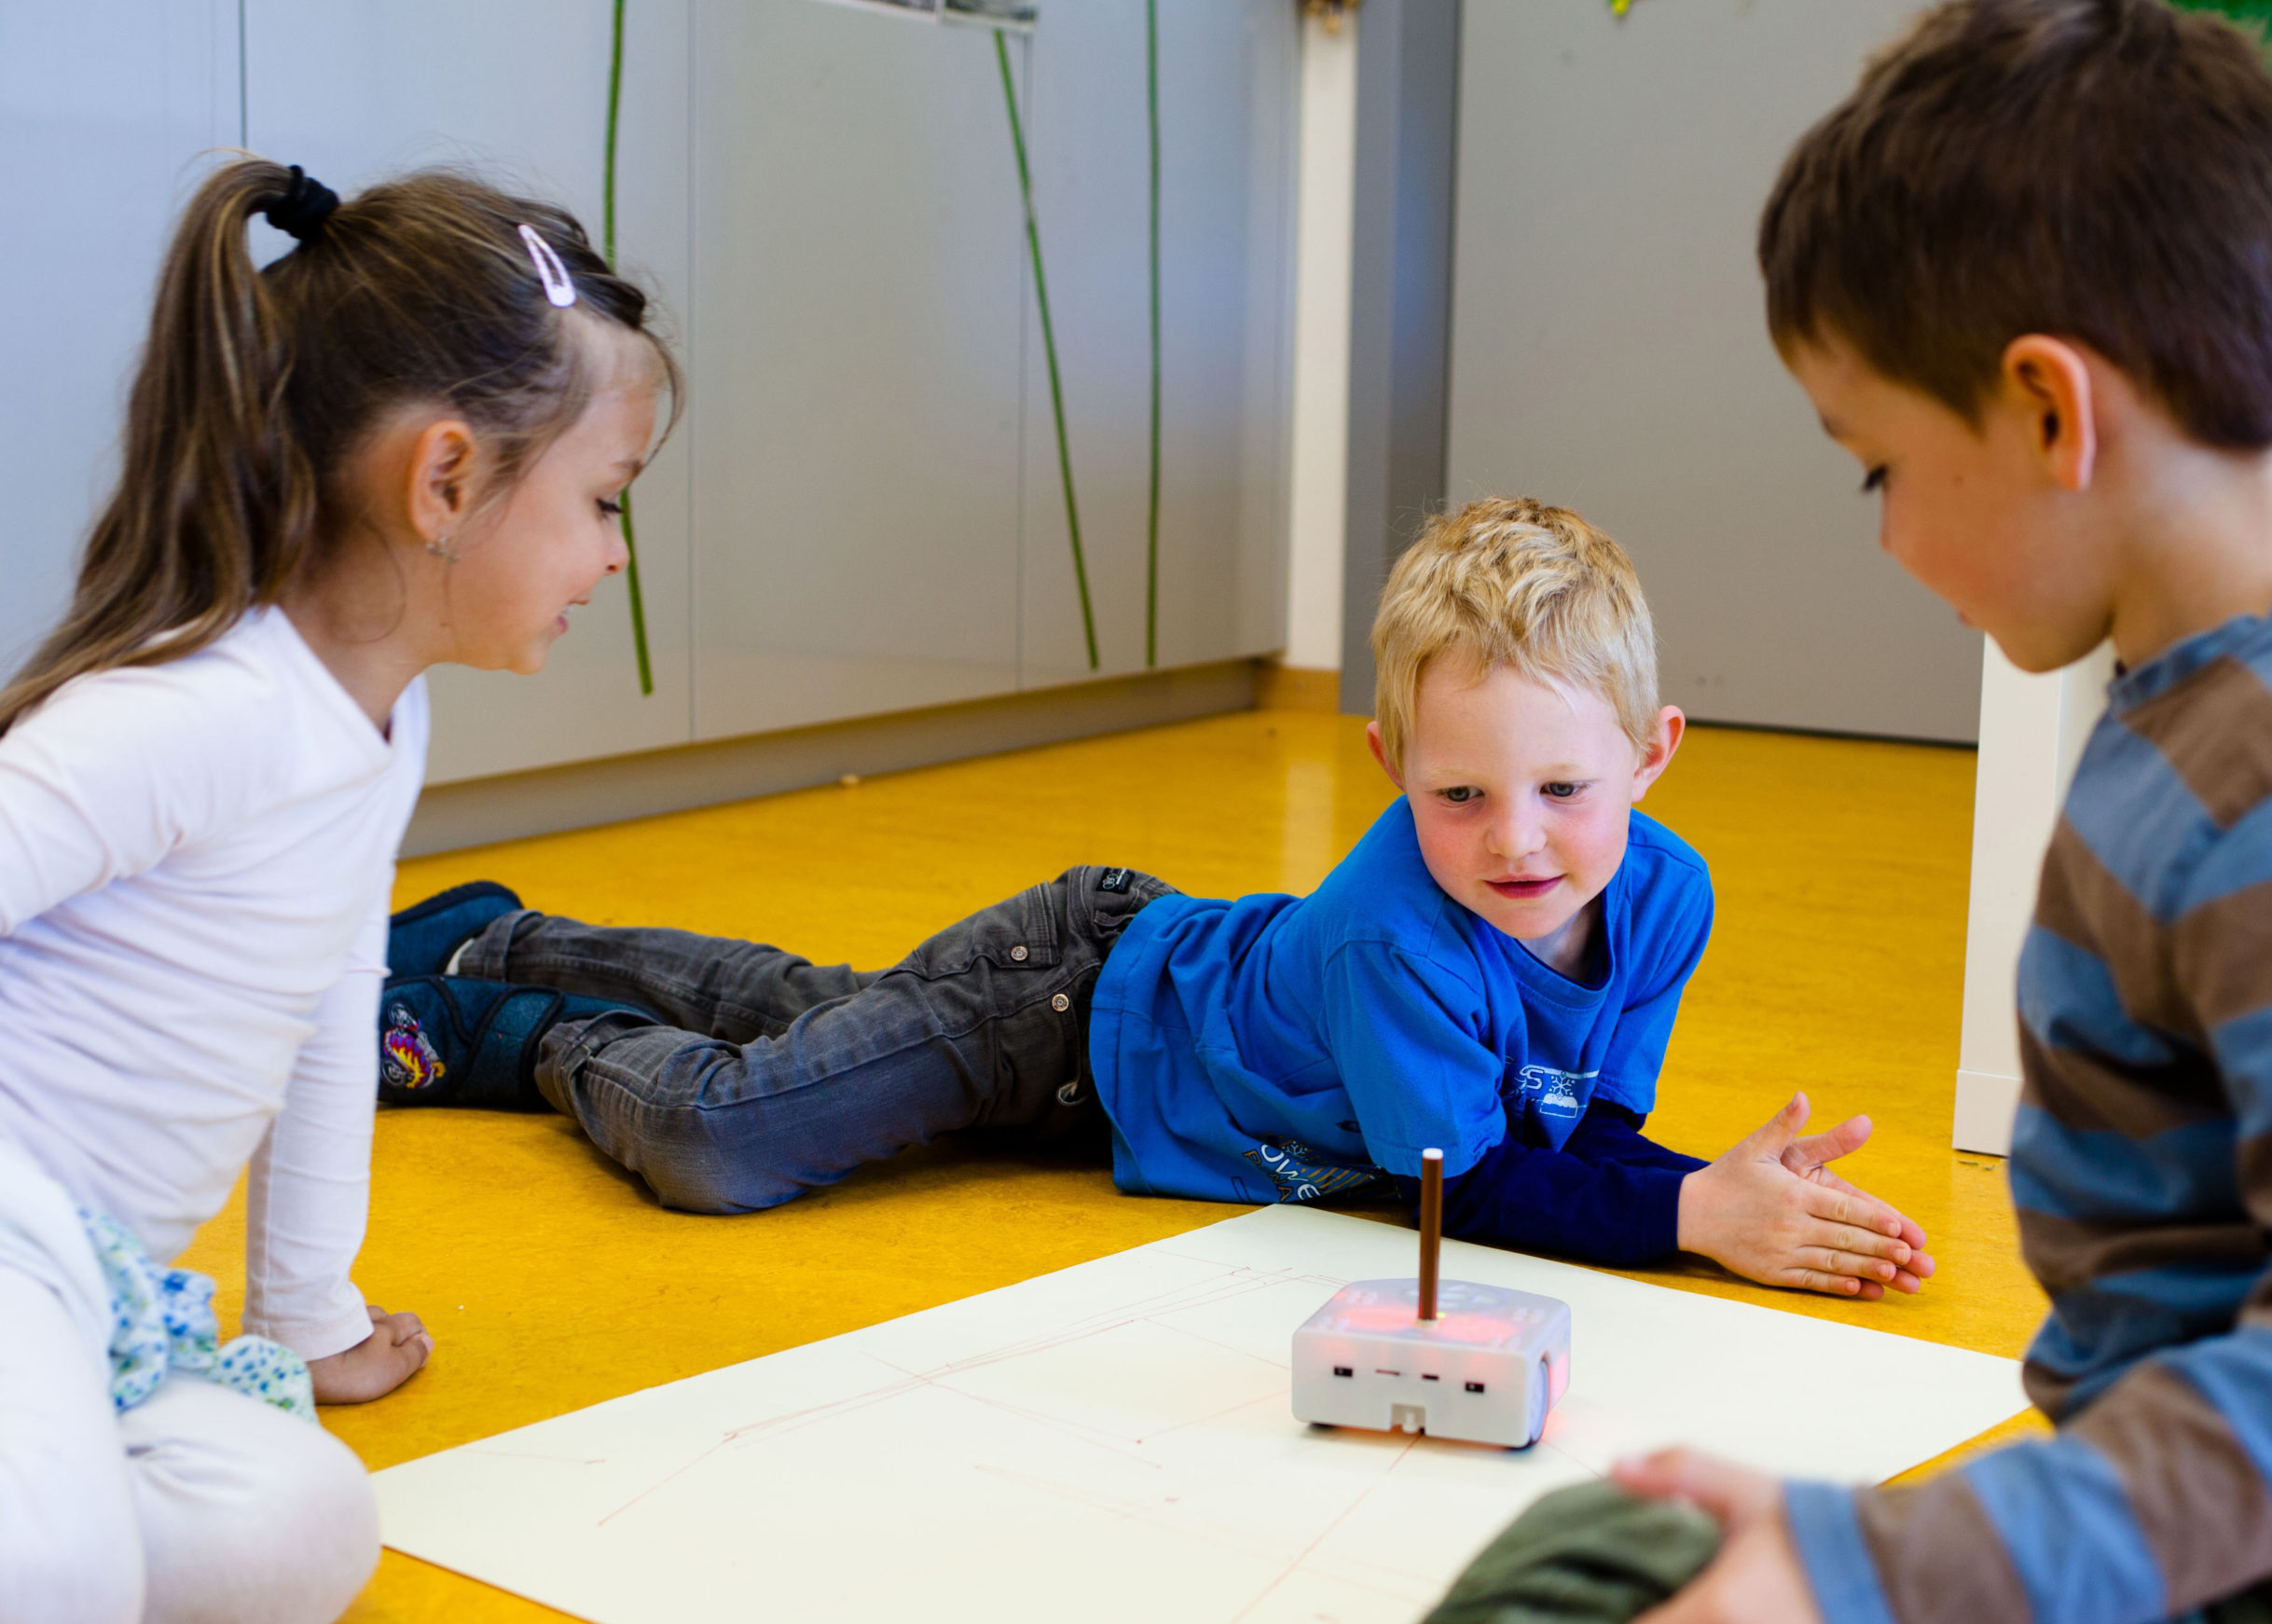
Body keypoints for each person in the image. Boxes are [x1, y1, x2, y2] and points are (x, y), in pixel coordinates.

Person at [1385, 0, 2272, 1624]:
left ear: (2053, 413)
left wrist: (1920, 1572)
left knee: (1590, 1600)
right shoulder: (2227, 712)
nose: (1886, 538)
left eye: (1880, 469)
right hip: (2215, 1503)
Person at [380, 496, 1934, 1301]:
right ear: (1390, 762)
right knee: (730, 1135)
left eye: (1564, 793)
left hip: (1131, 1069)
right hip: (1064, 1004)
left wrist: (1726, 1198)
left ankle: (503, 926)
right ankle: (516, 1024)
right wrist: (1693, 1216)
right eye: (1458, 793)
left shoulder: (1667, 900)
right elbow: (1470, 1187)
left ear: (1654, 758)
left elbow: (1571, 1129)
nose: (1517, 842)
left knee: (812, 1008)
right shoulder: (1401, 926)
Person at [0, 157, 676, 1624]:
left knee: (304, 1530)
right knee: (50, 1590)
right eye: (602, 502)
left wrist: (302, 1312)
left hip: (84, 1283)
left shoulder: (375, 722)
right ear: (445, 482)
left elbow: (325, 1005)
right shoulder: (195, 714)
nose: (614, 556)